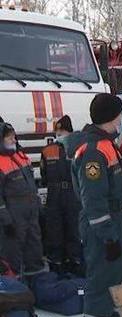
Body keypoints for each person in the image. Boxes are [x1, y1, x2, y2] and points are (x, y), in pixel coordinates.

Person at [72, 93, 122, 317]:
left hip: (118, 221)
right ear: (110, 117)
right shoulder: (95, 151)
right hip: (103, 226)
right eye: (119, 115)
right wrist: (108, 236)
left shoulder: (108, 145)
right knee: (100, 287)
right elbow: (94, 200)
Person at [0, 122, 45, 281]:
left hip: (30, 210)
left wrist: (38, 207)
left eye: (14, 136)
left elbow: (32, 184)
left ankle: (38, 284)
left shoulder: (21, 156)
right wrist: (6, 220)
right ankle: (15, 290)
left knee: (34, 246)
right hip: (14, 213)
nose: (13, 139)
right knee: (14, 251)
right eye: (8, 137)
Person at [40, 115, 82, 275]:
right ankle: (56, 264)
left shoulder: (78, 148)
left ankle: (75, 263)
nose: (59, 134)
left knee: (73, 229)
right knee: (54, 230)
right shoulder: (47, 150)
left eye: (62, 131)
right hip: (54, 195)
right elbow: (44, 175)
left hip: (72, 193)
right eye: (58, 131)